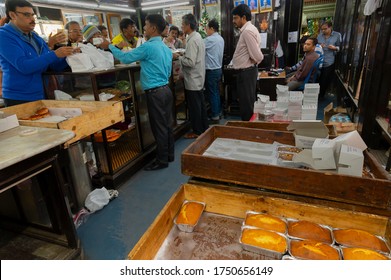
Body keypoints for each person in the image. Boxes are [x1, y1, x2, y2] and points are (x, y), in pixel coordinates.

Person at [101, 14, 174, 171]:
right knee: (167, 124)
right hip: (166, 90)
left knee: (159, 127)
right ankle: (169, 155)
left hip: (155, 92)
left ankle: (162, 160)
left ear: (153, 28)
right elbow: (168, 71)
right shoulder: (165, 47)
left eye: (146, 25)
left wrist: (111, 47)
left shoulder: (147, 47)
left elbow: (126, 58)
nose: (144, 29)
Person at [0, 0, 75, 106]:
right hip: (19, 98)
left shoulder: (35, 37)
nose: (32, 19)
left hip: (41, 93)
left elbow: (52, 65)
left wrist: (70, 56)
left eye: (32, 15)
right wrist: (55, 54)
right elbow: (24, 66)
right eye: (27, 15)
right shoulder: (4, 36)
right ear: (12, 15)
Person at [174, 14, 208, 139]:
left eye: (183, 24)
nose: (181, 26)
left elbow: (190, 62)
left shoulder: (193, 39)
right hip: (198, 77)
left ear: (188, 25)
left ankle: (197, 131)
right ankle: (204, 128)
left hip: (193, 79)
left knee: (195, 107)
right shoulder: (197, 36)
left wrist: (179, 57)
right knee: (200, 105)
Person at [230, 4, 264, 121]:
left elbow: (257, 55)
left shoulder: (247, 32)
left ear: (243, 18)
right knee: (247, 103)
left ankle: (248, 130)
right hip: (246, 72)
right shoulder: (249, 29)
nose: (234, 21)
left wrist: (254, 61)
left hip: (246, 73)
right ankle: (249, 129)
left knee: (246, 106)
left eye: (235, 18)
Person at [204, 19, 224, 121]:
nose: (206, 31)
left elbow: (199, 48)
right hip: (218, 69)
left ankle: (215, 115)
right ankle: (218, 112)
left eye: (207, 28)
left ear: (212, 28)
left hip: (211, 70)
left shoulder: (209, 40)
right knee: (216, 92)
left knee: (212, 93)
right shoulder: (220, 38)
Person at [317, 20, 342, 99]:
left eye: (325, 29)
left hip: (329, 61)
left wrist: (335, 48)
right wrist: (319, 45)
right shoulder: (319, 36)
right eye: (322, 29)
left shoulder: (337, 35)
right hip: (319, 60)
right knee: (318, 78)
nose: (323, 31)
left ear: (330, 27)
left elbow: (340, 47)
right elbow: (316, 45)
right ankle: (315, 94)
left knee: (325, 80)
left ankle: (321, 96)